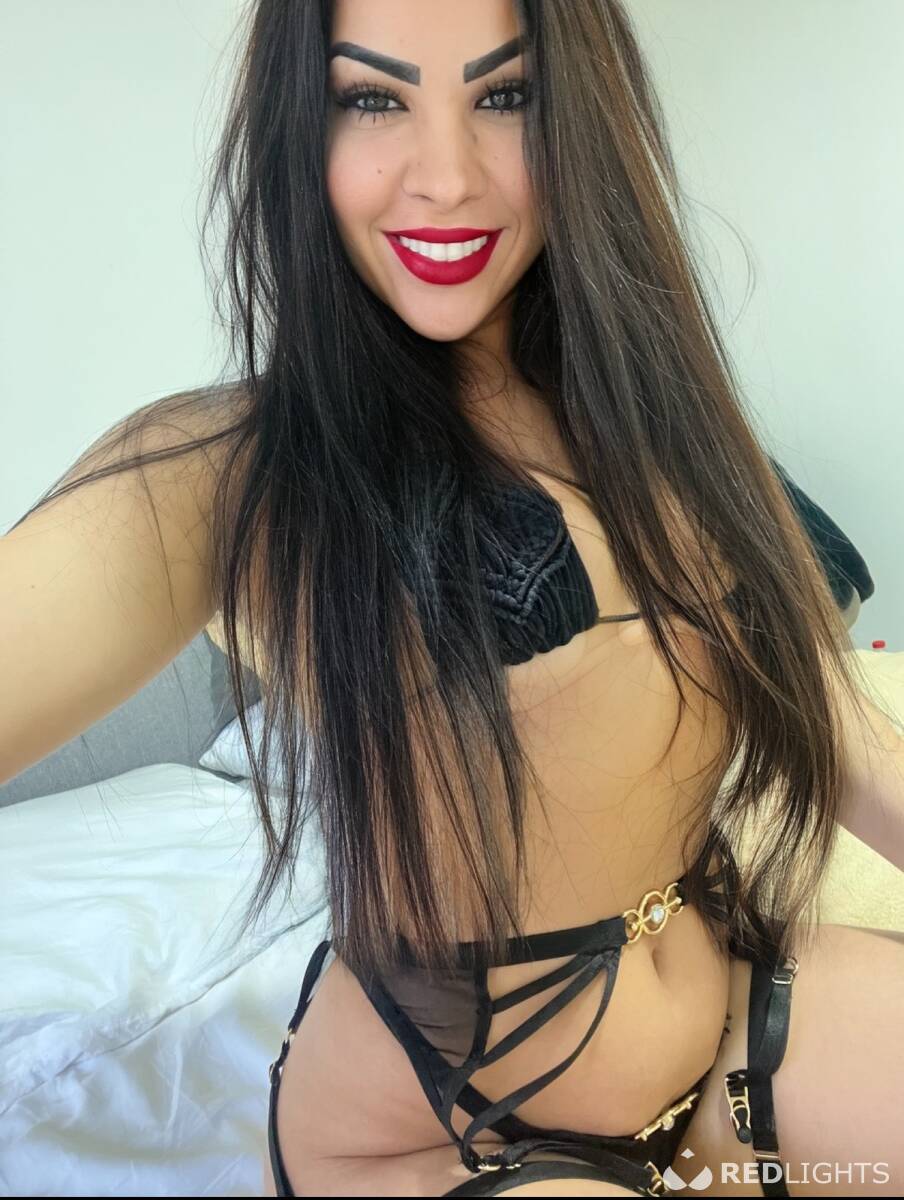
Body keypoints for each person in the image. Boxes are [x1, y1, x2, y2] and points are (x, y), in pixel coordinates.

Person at [2, 1, 901, 1196]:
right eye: (372, 98)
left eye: (505, 95)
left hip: (724, 1026)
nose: (446, 176)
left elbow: (835, 722)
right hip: (447, 1129)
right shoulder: (232, 475)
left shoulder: (660, 418)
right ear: (299, 127)